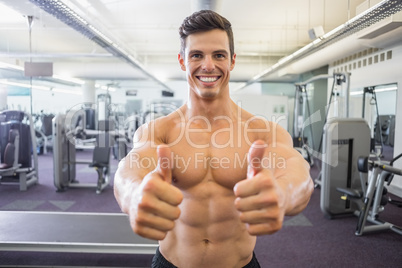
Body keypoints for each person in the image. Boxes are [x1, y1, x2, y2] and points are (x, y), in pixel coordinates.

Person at [114, 10, 314, 268]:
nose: (208, 65)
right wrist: (133, 195)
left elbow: (299, 174)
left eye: (218, 55)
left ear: (232, 61)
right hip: (172, 263)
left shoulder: (261, 131)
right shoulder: (160, 131)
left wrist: (284, 193)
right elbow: (129, 168)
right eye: (197, 55)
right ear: (182, 61)